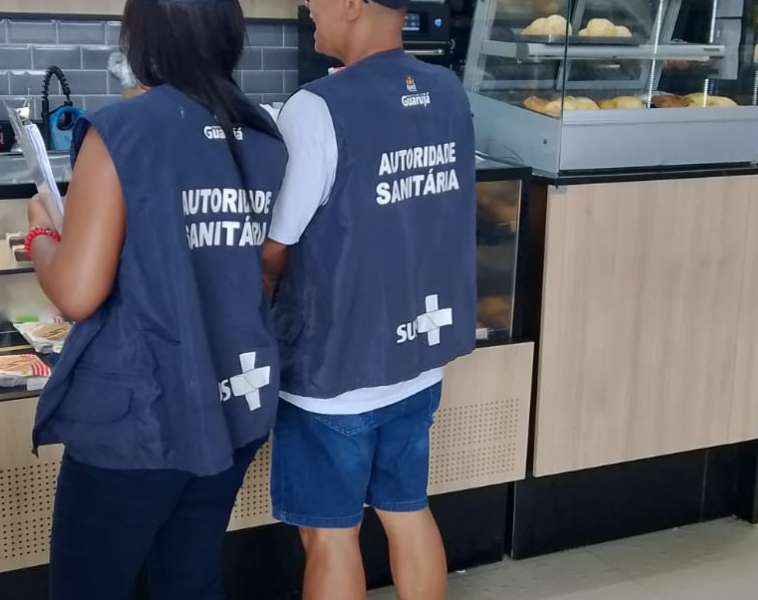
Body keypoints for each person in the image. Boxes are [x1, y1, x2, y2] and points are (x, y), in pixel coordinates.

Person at [25, 0, 287, 598]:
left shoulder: (123, 130)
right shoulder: (262, 133)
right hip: (234, 399)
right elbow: (263, 269)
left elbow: (76, 293)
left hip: (140, 416)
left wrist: (41, 232)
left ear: (142, 37)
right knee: (189, 579)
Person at [262, 0, 477, 597]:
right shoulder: (447, 91)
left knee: (329, 535)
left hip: (335, 368)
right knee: (407, 510)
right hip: (418, 357)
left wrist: (257, 296)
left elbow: (276, 244)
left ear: (353, 4)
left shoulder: (316, 108)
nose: (310, 5)